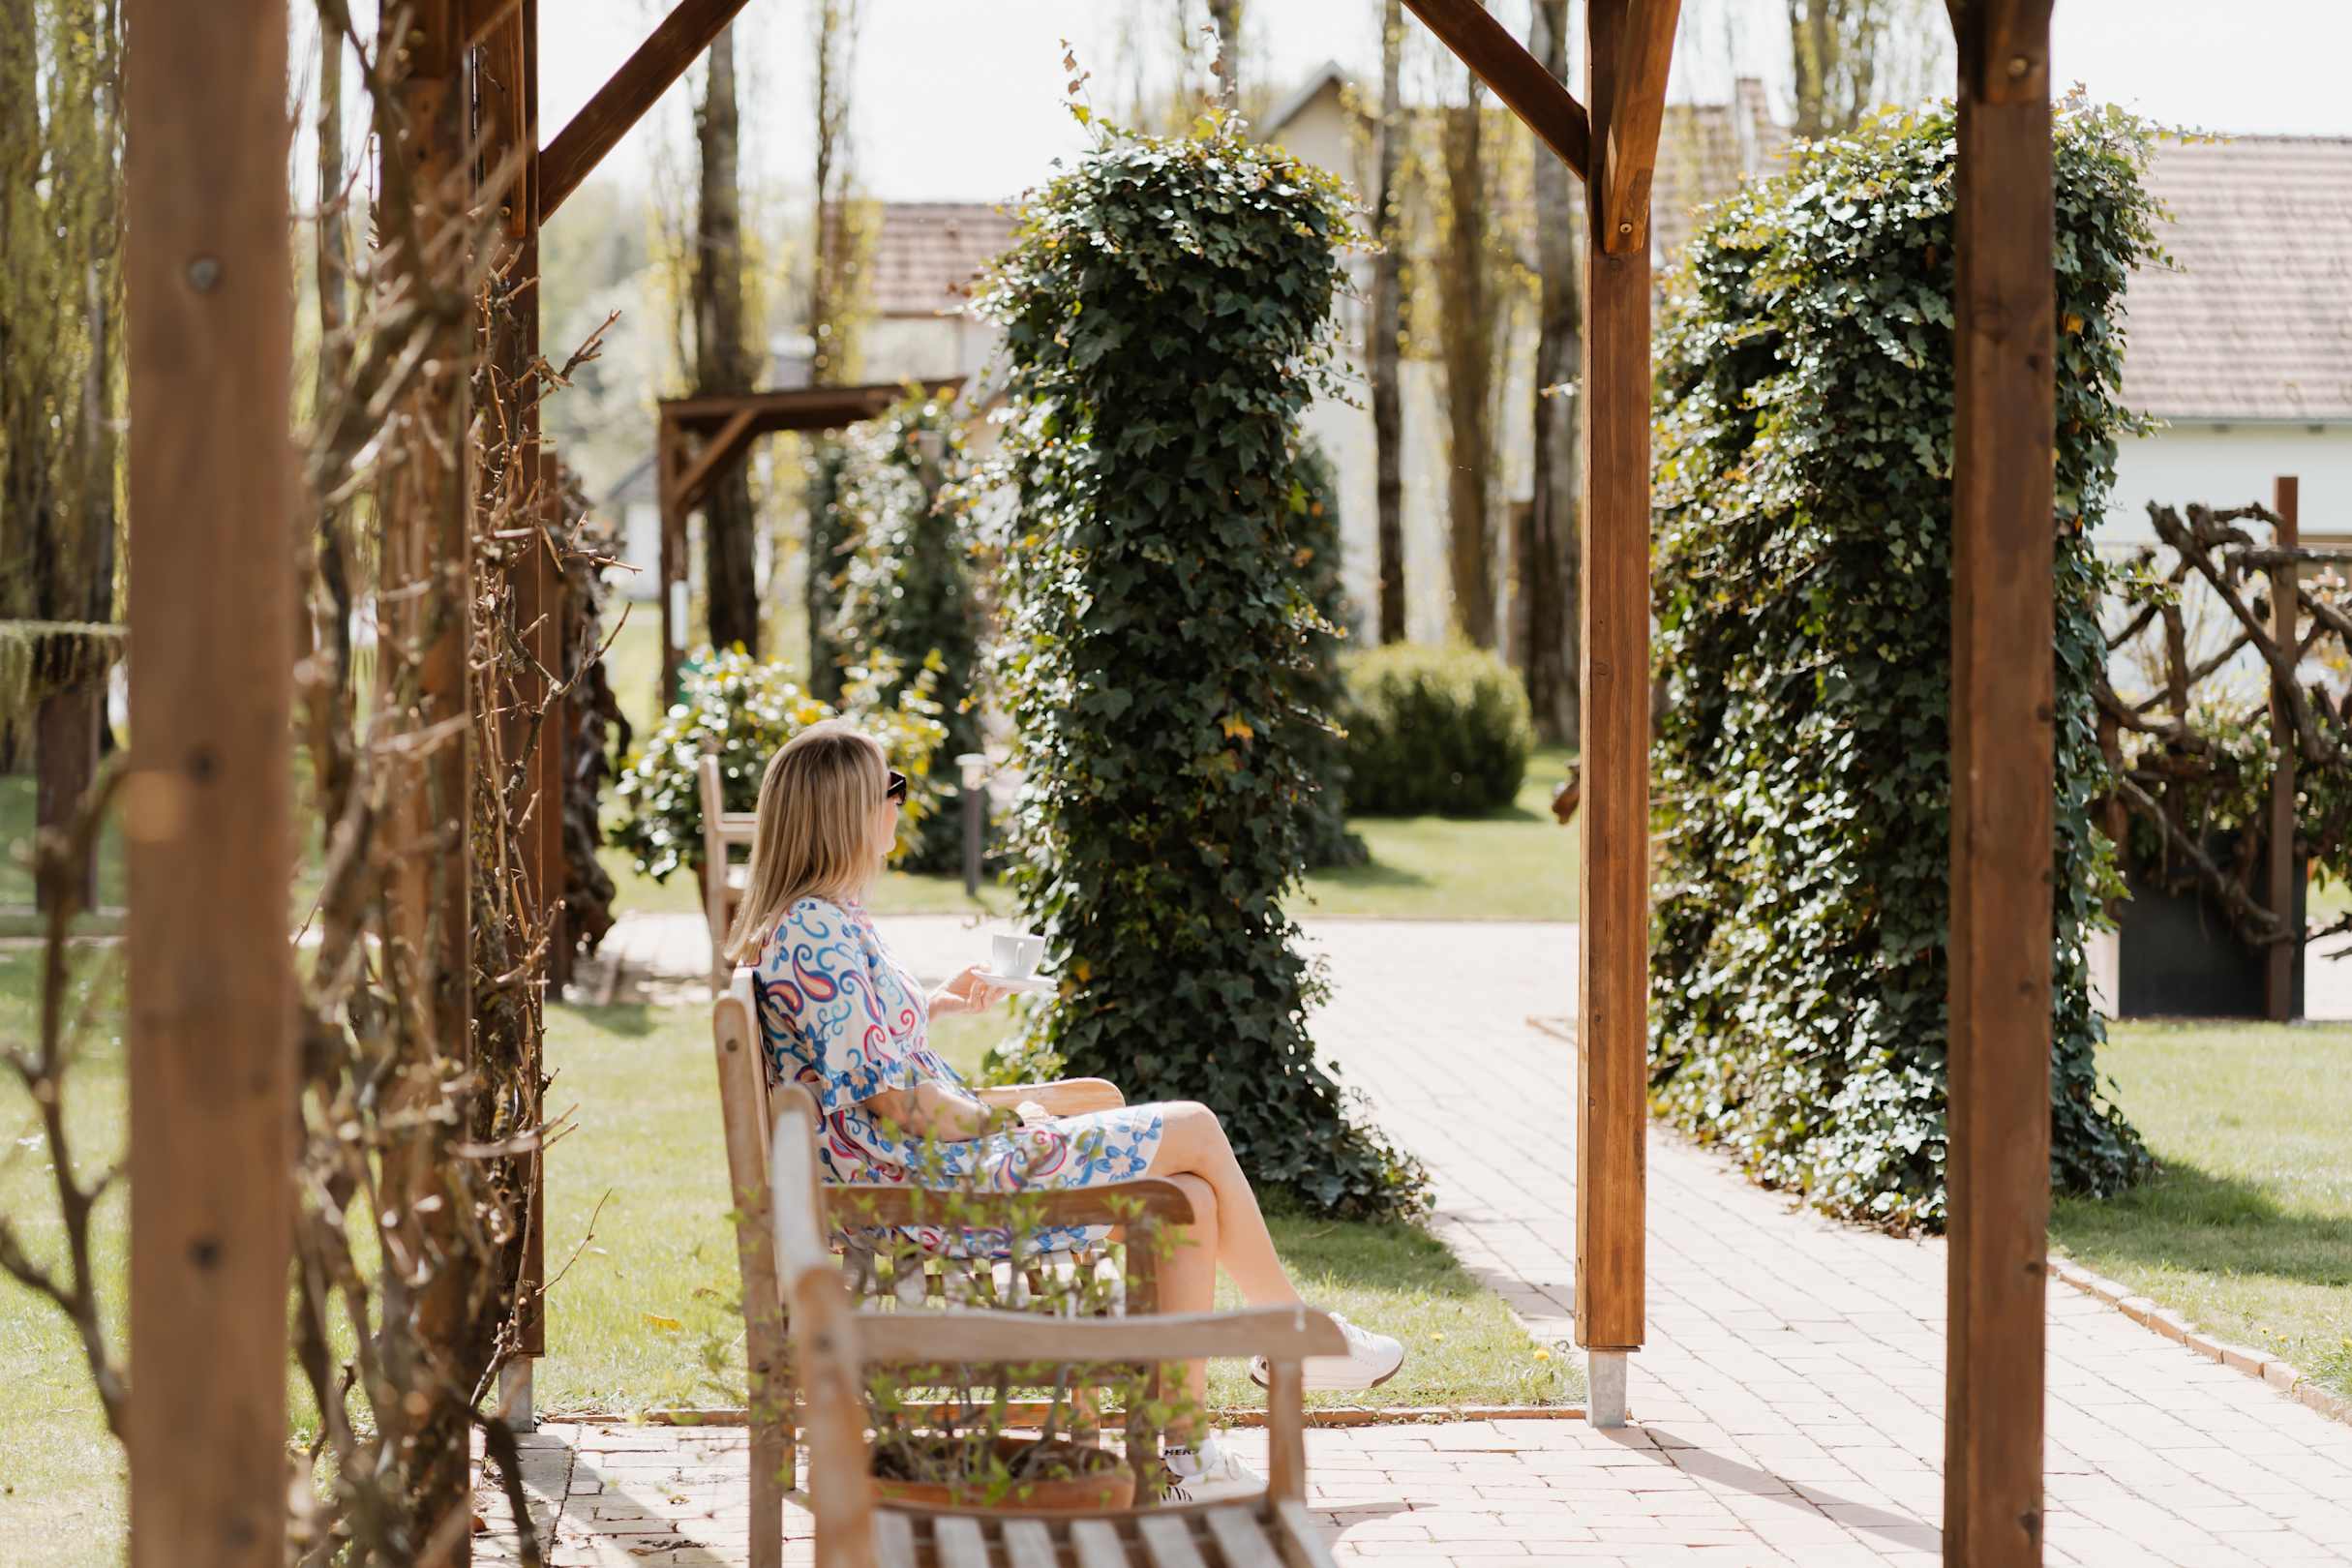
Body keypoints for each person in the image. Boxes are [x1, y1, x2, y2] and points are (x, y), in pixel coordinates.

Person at [725, 720, 1404, 1502]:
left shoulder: (824, 920)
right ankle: (1293, 1332)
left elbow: (862, 1058)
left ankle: (1185, 1459)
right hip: (931, 1186)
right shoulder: (815, 929)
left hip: (927, 1170)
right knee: (1193, 1125)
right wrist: (1013, 1123)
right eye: (892, 788)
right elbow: (900, 1104)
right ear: (845, 808)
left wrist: (936, 1005)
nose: (900, 804)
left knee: (1189, 1200)